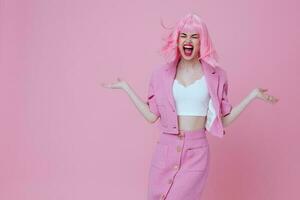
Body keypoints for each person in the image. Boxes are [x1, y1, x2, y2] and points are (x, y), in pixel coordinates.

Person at [101, 13, 279, 200]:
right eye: (183, 35)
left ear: (202, 42)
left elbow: (223, 120)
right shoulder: (160, 75)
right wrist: (126, 88)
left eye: (194, 36)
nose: (188, 40)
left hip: (196, 152)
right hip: (165, 150)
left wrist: (252, 96)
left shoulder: (216, 76)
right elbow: (151, 116)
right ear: (177, 40)